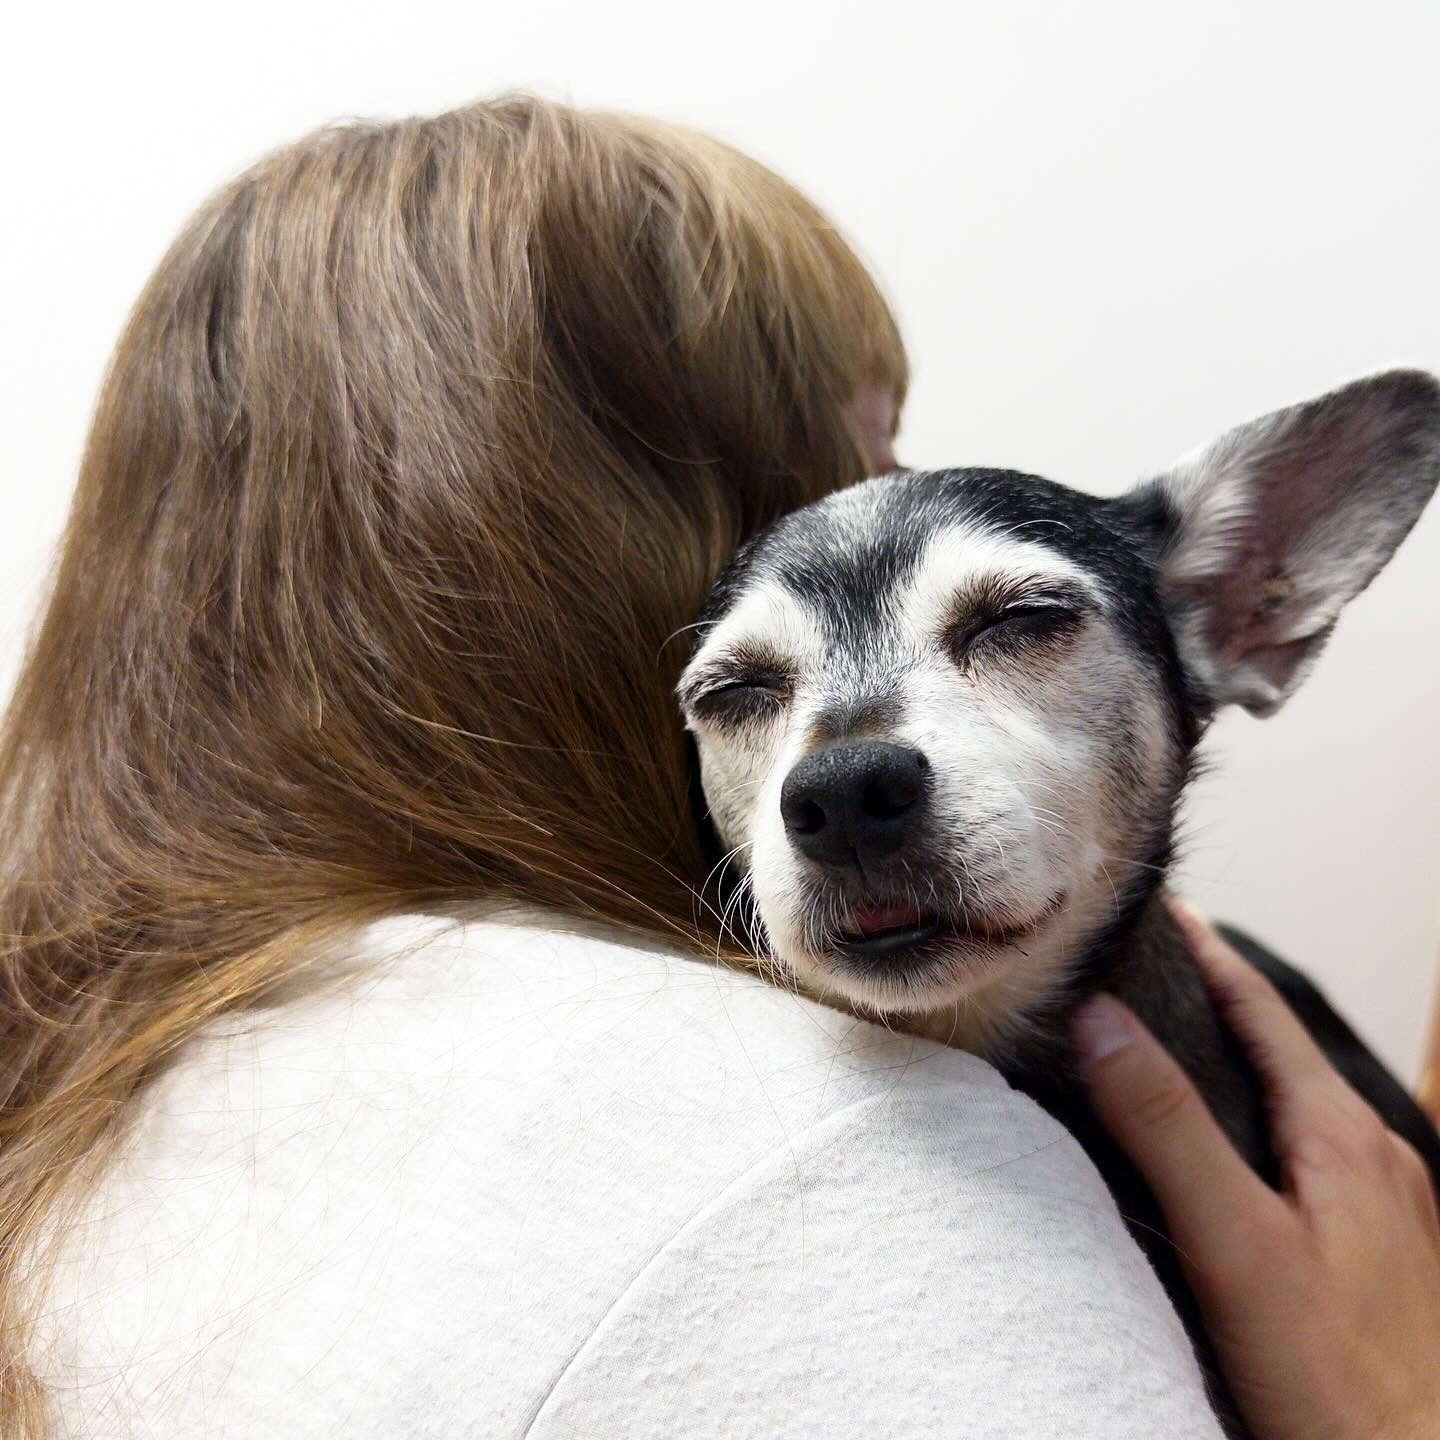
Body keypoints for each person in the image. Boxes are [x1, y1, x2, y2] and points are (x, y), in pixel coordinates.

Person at [1, 94, 1435, 1439]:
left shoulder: (95, 1082)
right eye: (744, 688)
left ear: (1238, 608)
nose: (847, 769)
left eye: (1016, 622)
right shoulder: (830, 1187)